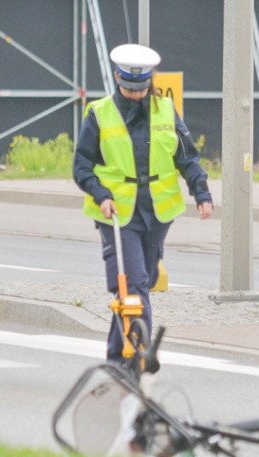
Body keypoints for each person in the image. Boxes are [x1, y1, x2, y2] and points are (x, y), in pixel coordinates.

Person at [73, 43, 213, 364]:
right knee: (133, 286)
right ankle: (140, 358)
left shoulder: (166, 111)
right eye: (128, 88)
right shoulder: (99, 114)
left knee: (138, 287)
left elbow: (187, 157)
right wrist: (101, 194)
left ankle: (115, 359)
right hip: (118, 215)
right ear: (116, 78)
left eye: (141, 88)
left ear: (150, 81)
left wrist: (201, 194)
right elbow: (81, 167)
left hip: (157, 214)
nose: (135, 95)